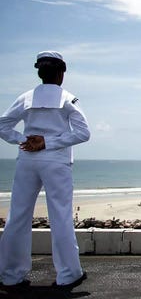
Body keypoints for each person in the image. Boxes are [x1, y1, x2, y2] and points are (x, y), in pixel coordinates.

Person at [0, 51, 90, 289]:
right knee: (60, 217)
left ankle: (10, 275)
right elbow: (83, 133)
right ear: (61, 73)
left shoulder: (25, 97)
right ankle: (68, 274)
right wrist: (48, 142)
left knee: (17, 217)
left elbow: (3, 125)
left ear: (39, 72)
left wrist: (24, 139)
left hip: (27, 159)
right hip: (56, 162)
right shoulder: (68, 99)